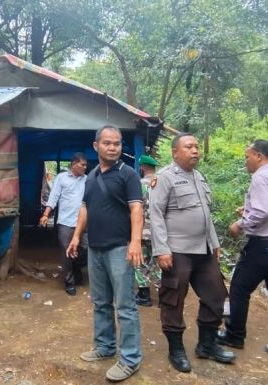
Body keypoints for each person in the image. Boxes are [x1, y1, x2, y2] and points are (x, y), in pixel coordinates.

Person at [149, 134, 235, 373]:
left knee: (216, 296)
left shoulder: (199, 177)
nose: (195, 150)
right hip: (177, 251)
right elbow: (155, 214)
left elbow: (206, 215)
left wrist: (215, 243)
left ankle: (206, 345)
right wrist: (162, 249)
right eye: (189, 147)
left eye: (197, 147)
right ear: (175, 152)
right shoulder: (165, 177)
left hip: (204, 251)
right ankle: (176, 349)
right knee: (173, 299)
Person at [67, 125, 144, 382]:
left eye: (117, 143)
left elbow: (136, 210)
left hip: (120, 248)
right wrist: (77, 236)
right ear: (96, 146)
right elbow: (85, 208)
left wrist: (135, 242)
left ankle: (130, 359)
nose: (113, 147)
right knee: (100, 302)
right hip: (96, 248)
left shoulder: (128, 174)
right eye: (108, 143)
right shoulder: (90, 177)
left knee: (125, 306)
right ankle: (105, 347)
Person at [218, 139, 268, 365]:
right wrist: (250, 210)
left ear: (259, 156)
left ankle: (234, 335)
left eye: (247, 156)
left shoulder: (261, 177)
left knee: (240, 288)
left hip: (265, 245)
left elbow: (263, 210)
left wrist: (240, 223)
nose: (246, 161)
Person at [40, 153, 89, 295]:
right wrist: (45, 214)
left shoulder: (87, 180)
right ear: (74, 164)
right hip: (65, 222)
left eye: (86, 165)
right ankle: (69, 282)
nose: (85, 168)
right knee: (66, 252)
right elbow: (53, 197)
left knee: (86, 249)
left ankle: (77, 267)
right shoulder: (61, 178)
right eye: (83, 165)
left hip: (83, 222)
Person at [134, 155, 160, 307]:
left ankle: (144, 296)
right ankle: (164, 296)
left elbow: (136, 209)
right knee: (159, 262)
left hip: (144, 231)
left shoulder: (140, 184)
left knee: (141, 261)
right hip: (161, 232)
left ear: (142, 167)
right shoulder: (163, 183)